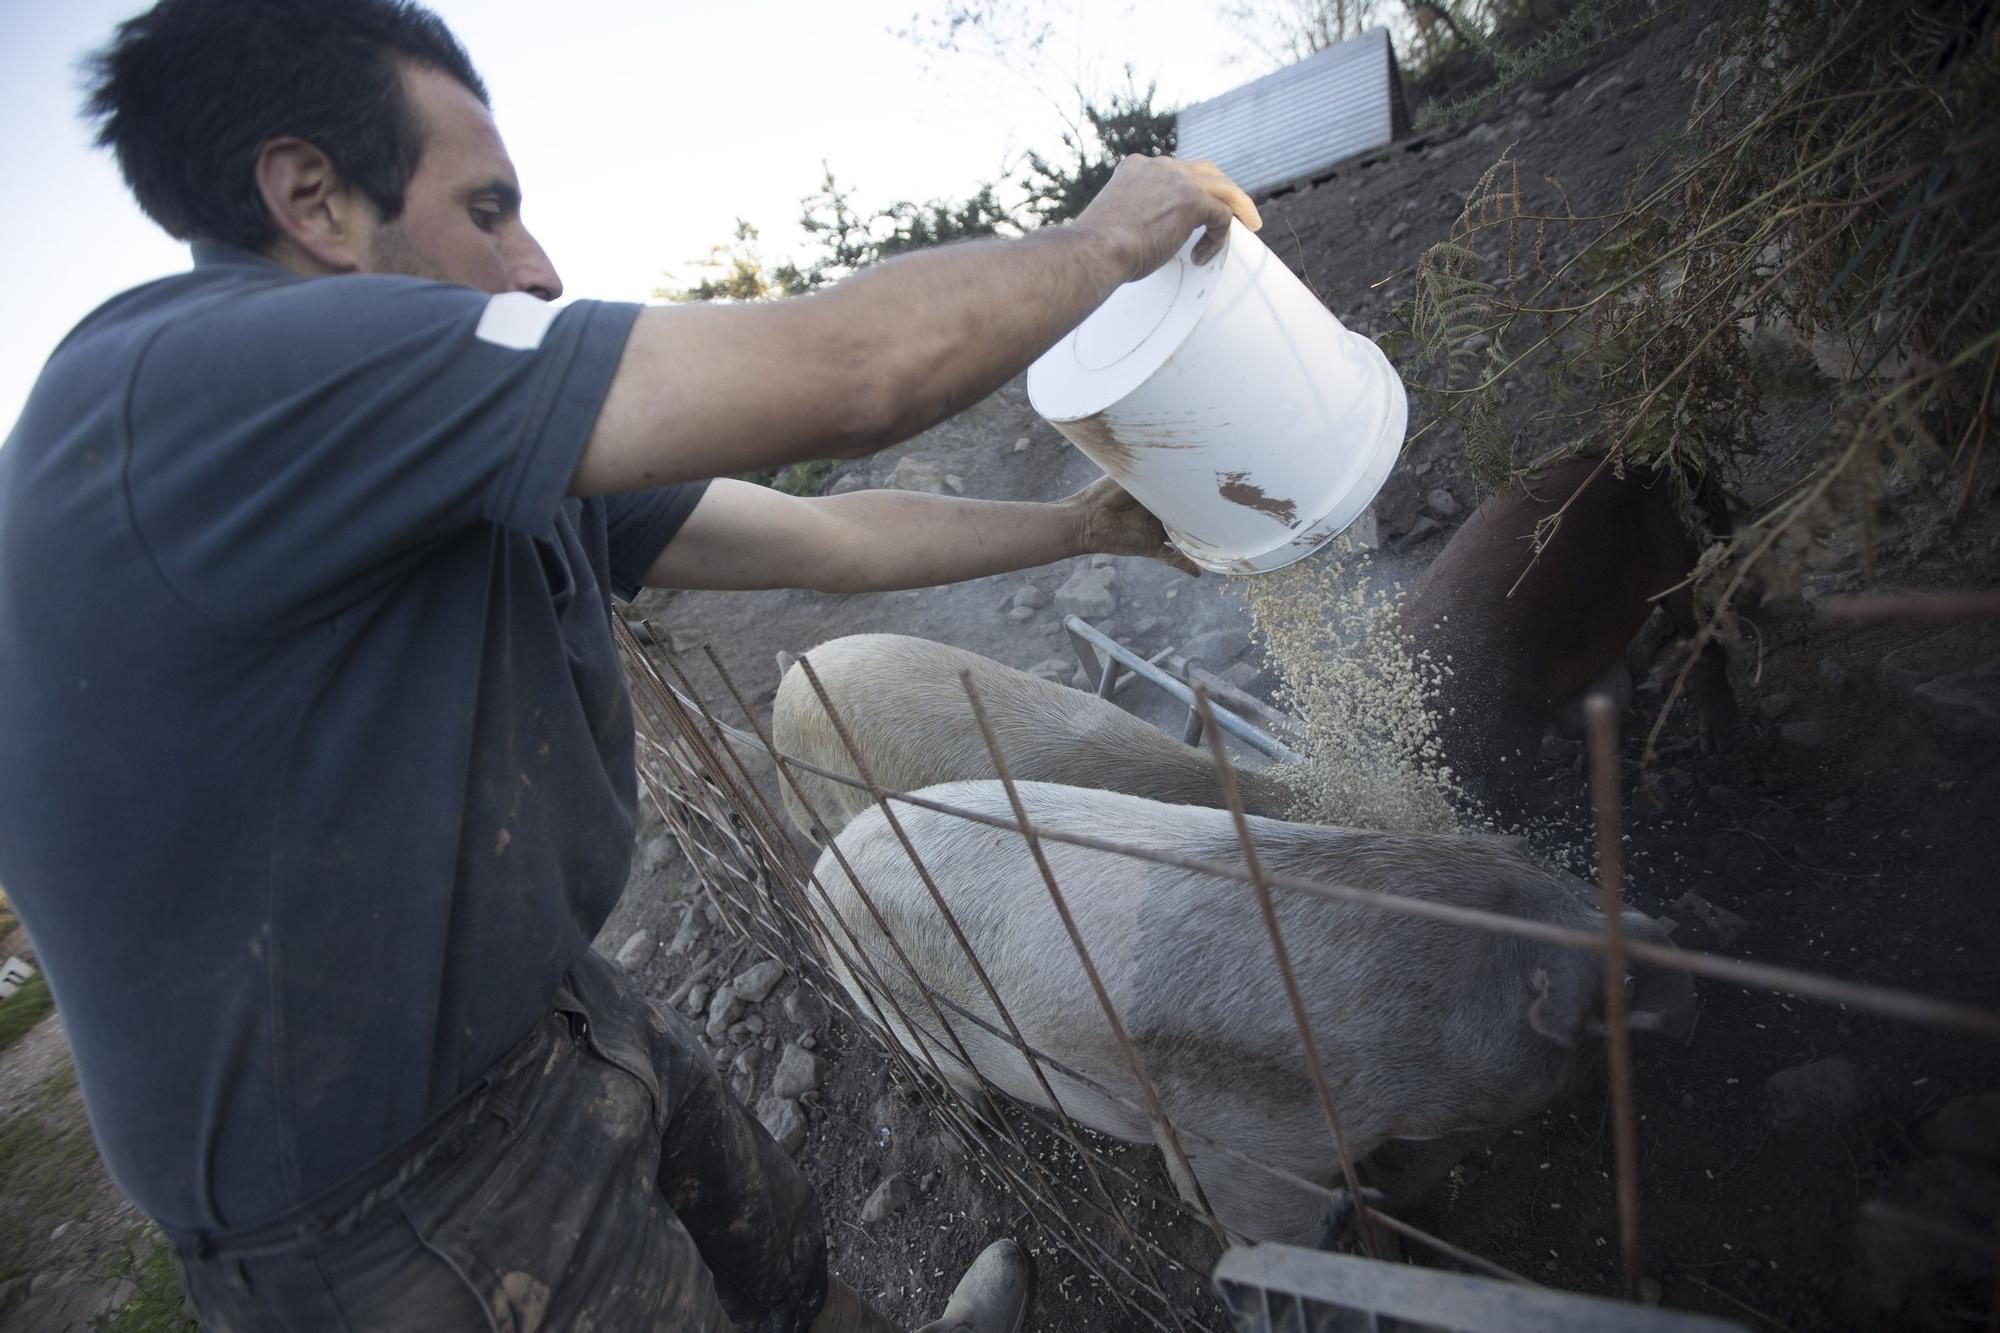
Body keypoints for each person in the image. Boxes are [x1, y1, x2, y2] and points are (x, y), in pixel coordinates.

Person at [0, 1, 1260, 1328]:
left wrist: (1085, 525)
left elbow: (822, 536)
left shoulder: (434, 456)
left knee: (789, 1280)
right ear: (311, 196)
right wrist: (1107, 237)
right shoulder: (203, 382)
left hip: (544, 1014)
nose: (538, 264)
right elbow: (859, 370)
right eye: (489, 210)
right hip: (385, 1201)